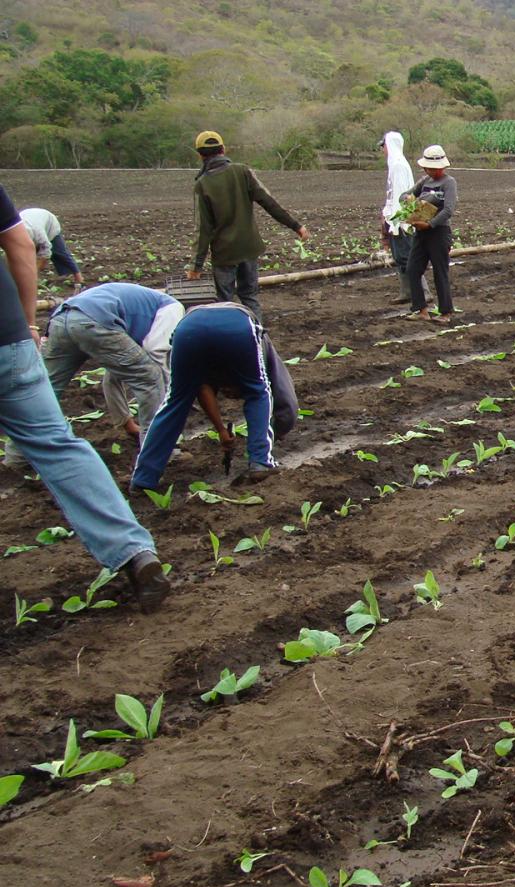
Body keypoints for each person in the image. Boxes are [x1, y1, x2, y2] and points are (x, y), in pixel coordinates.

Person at [0, 184, 169, 605]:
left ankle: (15, 460)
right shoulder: (167, 310)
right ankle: (134, 550)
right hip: (9, 335)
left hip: (64, 320)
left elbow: (116, 372)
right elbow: (20, 243)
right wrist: (24, 324)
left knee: (55, 388)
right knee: (60, 443)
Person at [131, 301, 296, 491]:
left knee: (175, 402)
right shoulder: (260, 341)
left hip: (188, 330)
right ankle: (261, 462)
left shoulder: (206, 366)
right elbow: (280, 392)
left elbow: (201, 388)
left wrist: (221, 430)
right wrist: (282, 425)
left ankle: (143, 478)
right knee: (257, 391)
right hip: (237, 326)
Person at [187, 130, 309, 322]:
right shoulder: (242, 171)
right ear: (223, 150)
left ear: (200, 155)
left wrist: (196, 265)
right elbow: (269, 202)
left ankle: (232, 341)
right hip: (249, 248)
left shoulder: (203, 184)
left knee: (225, 303)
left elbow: (203, 228)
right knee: (250, 298)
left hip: (224, 254)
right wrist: (296, 226)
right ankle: (258, 338)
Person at [43, 283, 183, 442]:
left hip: (61, 318)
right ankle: (160, 449)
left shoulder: (145, 309)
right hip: (95, 321)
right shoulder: (175, 308)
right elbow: (156, 352)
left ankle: (17, 458)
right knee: (150, 377)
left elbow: (112, 379)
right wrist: (169, 390)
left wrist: (126, 423)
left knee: (46, 389)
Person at [400, 145, 458, 323]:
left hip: (438, 233)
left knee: (440, 272)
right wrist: (408, 200)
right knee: (412, 269)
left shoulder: (449, 183)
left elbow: (448, 210)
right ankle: (421, 310)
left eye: (433, 168)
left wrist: (430, 224)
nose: (429, 171)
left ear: (442, 167)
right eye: (427, 168)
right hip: (421, 232)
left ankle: (446, 313)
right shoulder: (425, 181)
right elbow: (404, 196)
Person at [379, 131, 415, 304]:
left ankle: (420, 292)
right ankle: (407, 292)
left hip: (401, 221)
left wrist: (397, 222)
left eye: (383, 145)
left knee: (405, 256)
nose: (382, 150)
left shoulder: (399, 165)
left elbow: (401, 197)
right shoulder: (395, 164)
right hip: (395, 219)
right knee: (400, 256)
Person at [19, 208, 85, 290]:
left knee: (60, 252)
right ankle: (63, 275)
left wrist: (35, 273)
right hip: (30, 217)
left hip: (50, 222)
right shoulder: (16, 234)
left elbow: (46, 254)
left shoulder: (39, 234)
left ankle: (79, 278)